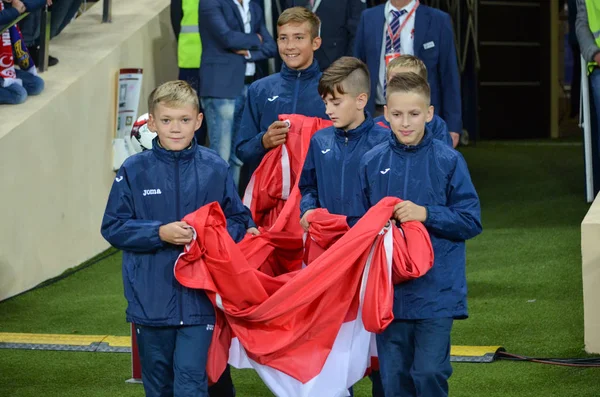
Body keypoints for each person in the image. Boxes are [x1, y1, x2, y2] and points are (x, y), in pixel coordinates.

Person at [101, 80, 258, 397]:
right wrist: (158, 233)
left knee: (191, 385)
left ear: (199, 120)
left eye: (184, 120)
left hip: (200, 300)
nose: (176, 128)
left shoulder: (214, 166)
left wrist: (209, 237)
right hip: (149, 300)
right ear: (153, 121)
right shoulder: (134, 170)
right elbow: (113, 227)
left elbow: (239, 218)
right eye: (167, 120)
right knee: (158, 387)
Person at [357, 72, 481, 397]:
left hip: (437, 292)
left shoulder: (449, 161)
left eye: (414, 114)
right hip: (390, 294)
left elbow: (471, 220)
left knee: (429, 373)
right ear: (385, 113)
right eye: (397, 114)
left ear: (429, 113)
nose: (405, 123)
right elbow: (359, 226)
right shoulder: (371, 162)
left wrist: (426, 214)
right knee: (393, 380)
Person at [354, 0, 463, 148]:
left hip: (420, 116)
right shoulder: (368, 17)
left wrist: (453, 124)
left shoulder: (438, 19)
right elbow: (358, 69)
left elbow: (449, 75)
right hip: (377, 112)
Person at [235, 6, 328, 178]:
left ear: (316, 43)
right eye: (283, 38)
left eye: (299, 38)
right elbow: (242, 150)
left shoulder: (332, 89)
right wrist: (263, 141)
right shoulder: (259, 89)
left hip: (317, 195)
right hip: (271, 195)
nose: (290, 46)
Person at [299, 56, 388, 232]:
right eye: (325, 103)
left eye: (336, 102)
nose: (328, 110)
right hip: (327, 238)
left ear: (361, 100)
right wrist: (308, 208)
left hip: (368, 241)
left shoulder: (385, 142)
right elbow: (308, 185)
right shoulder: (319, 141)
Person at [199, 0, 277, 187]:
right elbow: (227, 38)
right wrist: (256, 39)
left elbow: (271, 47)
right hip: (221, 87)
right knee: (221, 155)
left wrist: (249, 53)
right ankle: (215, 208)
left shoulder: (253, 5)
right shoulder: (210, 3)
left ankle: (230, 207)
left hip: (248, 86)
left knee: (238, 156)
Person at [374, 55, 452, 147]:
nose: (402, 87)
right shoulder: (376, 126)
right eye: (394, 82)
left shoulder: (437, 126)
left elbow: (444, 156)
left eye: (411, 82)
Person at [278, 0, 365, 71]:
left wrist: (346, 68)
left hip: (336, 68)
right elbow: (286, 27)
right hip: (299, 69)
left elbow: (356, 34)